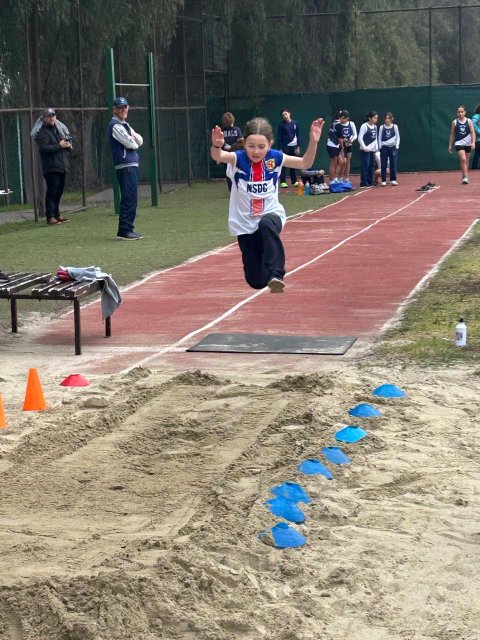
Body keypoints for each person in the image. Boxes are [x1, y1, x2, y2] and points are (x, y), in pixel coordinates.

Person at [211, 116, 324, 293]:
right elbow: (218, 156)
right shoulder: (238, 159)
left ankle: (277, 274)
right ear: (244, 143)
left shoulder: (276, 157)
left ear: (270, 145)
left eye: (261, 147)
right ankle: (265, 260)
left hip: (271, 214)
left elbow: (305, 162)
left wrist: (313, 142)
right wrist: (216, 145)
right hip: (245, 224)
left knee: (266, 224)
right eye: (251, 146)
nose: (256, 151)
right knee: (256, 281)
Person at [108, 96, 144, 240]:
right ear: (115, 110)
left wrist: (132, 137)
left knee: (132, 197)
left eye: (125, 107)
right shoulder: (115, 126)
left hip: (131, 165)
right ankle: (124, 230)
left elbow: (140, 140)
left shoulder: (125, 125)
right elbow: (132, 144)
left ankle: (128, 228)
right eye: (120, 108)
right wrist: (131, 138)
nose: (123, 110)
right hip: (125, 166)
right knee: (128, 197)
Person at [34, 108, 72, 225]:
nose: (51, 118)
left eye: (53, 116)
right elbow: (44, 149)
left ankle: (57, 214)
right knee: (52, 192)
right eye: (49, 116)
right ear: (44, 119)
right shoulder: (42, 132)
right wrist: (59, 146)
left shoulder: (58, 130)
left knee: (58, 192)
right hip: (51, 167)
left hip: (61, 165)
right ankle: (50, 217)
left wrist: (67, 146)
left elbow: (62, 145)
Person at [448, 105, 475, 184]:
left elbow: (472, 132)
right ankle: (465, 177)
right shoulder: (454, 122)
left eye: (462, 112)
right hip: (458, 142)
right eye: (458, 112)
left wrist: (473, 142)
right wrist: (450, 145)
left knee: (466, 160)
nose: (460, 113)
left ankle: (464, 176)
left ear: (465, 112)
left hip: (468, 143)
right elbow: (452, 134)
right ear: (457, 113)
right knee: (463, 159)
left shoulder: (469, 121)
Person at [277, 109, 301, 188]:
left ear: (289, 114)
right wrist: (280, 148)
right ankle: (283, 182)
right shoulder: (281, 125)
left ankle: (294, 181)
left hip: (294, 147)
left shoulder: (295, 123)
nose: (285, 116)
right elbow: (279, 137)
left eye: (286, 114)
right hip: (285, 147)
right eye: (283, 115)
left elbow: (298, 135)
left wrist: (298, 146)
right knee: (283, 164)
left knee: (293, 163)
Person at [221, 112, 243, 192]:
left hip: (227, 155)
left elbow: (221, 145)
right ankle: (237, 188)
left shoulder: (222, 131)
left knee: (229, 173)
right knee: (236, 171)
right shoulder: (237, 130)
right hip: (235, 155)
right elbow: (240, 142)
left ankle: (232, 190)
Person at [326, 110, 349, 184]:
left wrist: (344, 139)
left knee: (341, 162)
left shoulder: (334, 123)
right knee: (333, 163)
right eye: (346, 119)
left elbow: (338, 135)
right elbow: (339, 139)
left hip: (334, 145)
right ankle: (331, 181)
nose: (346, 121)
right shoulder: (339, 125)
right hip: (332, 145)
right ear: (342, 117)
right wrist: (342, 147)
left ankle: (336, 178)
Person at [378, 112, 400, 186]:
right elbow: (379, 138)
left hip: (393, 147)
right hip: (384, 147)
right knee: (383, 164)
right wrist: (380, 147)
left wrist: (396, 146)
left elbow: (398, 137)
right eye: (386, 118)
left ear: (392, 119)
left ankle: (393, 180)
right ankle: (383, 180)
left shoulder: (395, 127)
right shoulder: (382, 127)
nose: (387, 120)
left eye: (388, 118)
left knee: (393, 163)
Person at [358, 111, 379, 188]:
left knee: (371, 166)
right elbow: (360, 138)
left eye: (376, 118)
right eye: (374, 118)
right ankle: (363, 183)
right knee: (365, 166)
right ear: (370, 118)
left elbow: (375, 138)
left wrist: (376, 147)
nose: (376, 120)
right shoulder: (364, 126)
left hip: (372, 150)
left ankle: (370, 181)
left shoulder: (375, 127)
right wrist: (364, 147)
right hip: (365, 150)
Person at [340, 113, 357, 182]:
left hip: (349, 145)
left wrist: (351, 139)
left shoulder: (351, 124)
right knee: (343, 162)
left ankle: (346, 178)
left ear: (347, 118)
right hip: (341, 145)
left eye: (343, 118)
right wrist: (342, 139)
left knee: (348, 162)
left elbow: (355, 135)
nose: (341, 119)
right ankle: (340, 178)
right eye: (341, 118)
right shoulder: (339, 124)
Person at [470, 104, 480, 170]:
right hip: (478, 140)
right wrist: (479, 131)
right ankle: (474, 168)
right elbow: (473, 124)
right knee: (477, 153)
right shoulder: (476, 116)